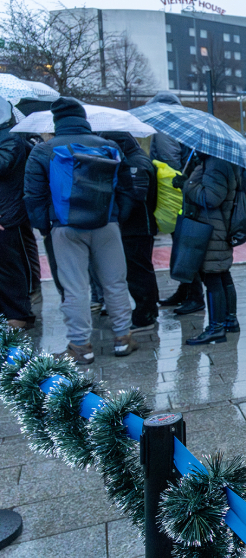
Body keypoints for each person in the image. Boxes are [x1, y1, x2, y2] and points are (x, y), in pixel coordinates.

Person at [23, 97, 138, 363]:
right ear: (83, 118)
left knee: (75, 288)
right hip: (106, 225)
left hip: (65, 227)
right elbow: (126, 190)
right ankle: (123, 338)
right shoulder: (109, 146)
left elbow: (33, 197)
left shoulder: (42, 151)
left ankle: (80, 347)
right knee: (115, 283)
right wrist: (116, 217)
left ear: (56, 121)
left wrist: (45, 228)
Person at [172, 152, 240, 345]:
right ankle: (229, 320)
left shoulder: (216, 163)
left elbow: (211, 198)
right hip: (216, 226)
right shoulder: (216, 161)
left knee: (212, 276)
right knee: (221, 274)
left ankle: (216, 328)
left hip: (211, 228)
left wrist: (187, 184)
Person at [148, 91, 205, 316]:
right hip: (186, 191)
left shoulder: (165, 128)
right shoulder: (184, 125)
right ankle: (185, 290)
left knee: (183, 244)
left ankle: (195, 296)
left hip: (173, 193)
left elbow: (169, 163)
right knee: (184, 242)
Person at [102, 132, 160, 331]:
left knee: (139, 272)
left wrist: (118, 219)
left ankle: (145, 315)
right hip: (137, 227)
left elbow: (135, 197)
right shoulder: (135, 159)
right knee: (140, 270)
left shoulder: (136, 163)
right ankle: (149, 309)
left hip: (137, 228)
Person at [0, 100, 34, 328]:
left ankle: (19, 314)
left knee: (10, 267)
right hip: (6, 211)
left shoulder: (10, 137)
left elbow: (3, 165)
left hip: (7, 215)